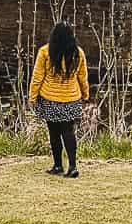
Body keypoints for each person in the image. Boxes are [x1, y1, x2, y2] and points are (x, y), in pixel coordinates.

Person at [29, 21, 90, 178]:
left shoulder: (45, 52)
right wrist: (85, 95)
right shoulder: (78, 53)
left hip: (50, 98)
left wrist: (32, 96)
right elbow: (82, 77)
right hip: (71, 98)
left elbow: (37, 77)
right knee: (69, 132)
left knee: (54, 133)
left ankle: (57, 165)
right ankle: (73, 166)